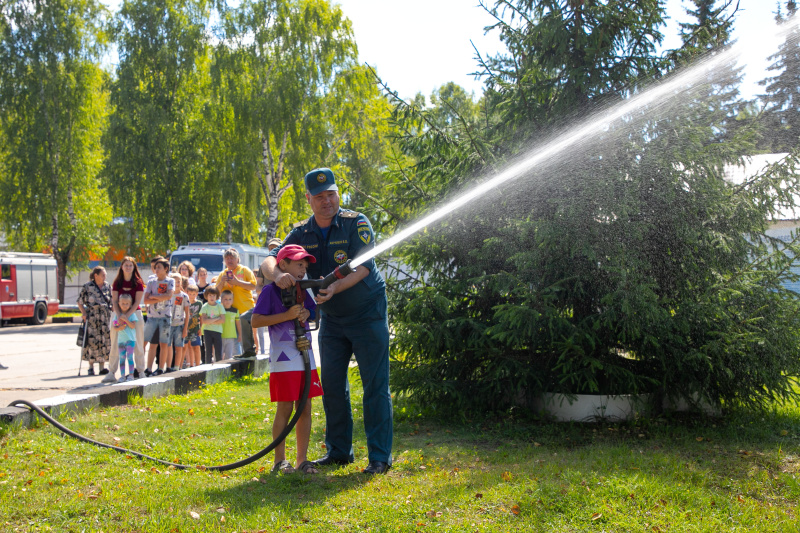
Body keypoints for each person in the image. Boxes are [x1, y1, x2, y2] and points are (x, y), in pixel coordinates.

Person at [260, 167, 392, 475]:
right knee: (332, 385)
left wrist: (332, 287)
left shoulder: (355, 223)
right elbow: (270, 259)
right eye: (319, 197)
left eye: (331, 194)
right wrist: (278, 274)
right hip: (332, 320)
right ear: (308, 199)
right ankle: (339, 451)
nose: (326, 201)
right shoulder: (302, 232)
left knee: (375, 385)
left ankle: (379, 458)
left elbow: (362, 269)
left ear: (338, 194)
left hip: (367, 314)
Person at [252, 244, 323, 475]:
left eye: (305, 265)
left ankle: (302, 459)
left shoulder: (303, 289)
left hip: (306, 359)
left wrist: (305, 313)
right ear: (282, 265)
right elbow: (256, 321)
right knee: (285, 407)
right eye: (298, 264)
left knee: (306, 406)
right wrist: (287, 315)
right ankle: (279, 460)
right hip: (283, 362)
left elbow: (311, 312)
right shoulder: (270, 291)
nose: (303, 269)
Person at [105, 257, 146, 383]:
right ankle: (111, 372)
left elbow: (137, 302)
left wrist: (127, 316)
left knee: (138, 343)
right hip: (118, 314)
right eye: (126, 265)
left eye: (130, 265)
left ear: (134, 267)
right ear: (122, 267)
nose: (128, 267)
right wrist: (119, 316)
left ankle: (140, 371)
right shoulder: (117, 282)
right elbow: (115, 301)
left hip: (135, 314)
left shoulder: (138, 282)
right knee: (115, 343)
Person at [214, 248, 257, 357]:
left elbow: (254, 286)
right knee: (233, 339)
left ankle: (249, 353)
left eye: (232, 258)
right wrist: (222, 282)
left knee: (245, 336)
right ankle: (235, 359)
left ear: (238, 259)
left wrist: (237, 282)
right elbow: (216, 293)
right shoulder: (223, 274)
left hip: (245, 309)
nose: (230, 260)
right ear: (224, 261)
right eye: (227, 258)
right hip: (230, 313)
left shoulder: (244, 270)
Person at [77, 266, 113, 377]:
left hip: (105, 317)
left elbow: (112, 301)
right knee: (92, 342)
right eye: (103, 274)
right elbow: (80, 301)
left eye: (105, 274)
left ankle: (102, 367)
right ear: (96, 275)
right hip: (92, 317)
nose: (105, 276)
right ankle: (91, 367)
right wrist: (84, 313)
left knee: (104, 341)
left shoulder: (107, 286)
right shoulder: (87, 287)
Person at [142, 258, 174, 376]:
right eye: (155, 267)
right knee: (148, 342)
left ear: (166, 269)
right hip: (152, 317)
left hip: (165, 317)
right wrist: (161, 297)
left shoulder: (170, 281)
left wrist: (154, 297)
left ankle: (161, 368)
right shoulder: (151, 282)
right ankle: (147, 368)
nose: (156, 270)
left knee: (164, 343)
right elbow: (145, 299)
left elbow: (169, 295)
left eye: (159, 267)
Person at [255, 237, 283, 355]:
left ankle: (277, 352)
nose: (272, 251)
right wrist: (268, 291)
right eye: (270, 248)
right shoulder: (264, 266)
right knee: (245, 318)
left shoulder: (284, 265)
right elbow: (258, 287)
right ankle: (250, 350)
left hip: (281, 301)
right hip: (267, 300)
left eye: (275, 248)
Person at [110, 294, 138, 382]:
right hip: (121, 340)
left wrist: (126, 320)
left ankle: (131, 374)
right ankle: (122, 375)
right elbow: (115, 326)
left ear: (130, 304)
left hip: (130, 340)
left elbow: (133, 326)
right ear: (119, 304)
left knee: (130, 357)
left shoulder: (132, 315)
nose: (124, 305)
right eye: (123, 303)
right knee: (122, 358)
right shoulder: (117, 315)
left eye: (127, 304)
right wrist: (119, 328)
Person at [166, 273, 190, 372]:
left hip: (180, 325)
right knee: (168, 346)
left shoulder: (184, 296)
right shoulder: (167, 295)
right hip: (168, 325)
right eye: (174, 282)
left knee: (179, 346)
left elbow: (187, 313)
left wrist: (185, 329)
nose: (176, 283)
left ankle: (177, 366)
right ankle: (168, 366)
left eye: (178, 281)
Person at [200, 287, 225, 363]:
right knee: (208, 350)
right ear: (206, 296)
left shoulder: (220, 306)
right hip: (207, 331)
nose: (212, 297)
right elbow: (204, 320)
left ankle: (219, 367)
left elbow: (222, 320)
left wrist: (209, 320)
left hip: (217, 331)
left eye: (214, 295)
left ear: (217, 297)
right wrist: (216, 318)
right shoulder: (205, 306)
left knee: (218, 351)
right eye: (210, 295)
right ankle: (207, 366)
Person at [220, 289, 242, 359]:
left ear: (233, 300)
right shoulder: (219, 310)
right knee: (219, 356)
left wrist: (240, 335)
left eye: (230, 299)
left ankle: (227, 370)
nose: (228, 301)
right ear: (221, 300)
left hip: (231, 336)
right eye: (225, 299)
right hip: (220, 336)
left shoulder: (235, 311)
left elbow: (238, 323)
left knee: (229, 356)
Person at [185, 285, 203, 367]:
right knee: (189, 346)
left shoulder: (199, 303)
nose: (192, 296)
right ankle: (192, 364)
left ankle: (198, 364)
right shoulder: (185, 303)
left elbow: (201, 316)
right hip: (186, 328)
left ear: (196, 294)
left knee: (196, 346)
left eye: (194, 294)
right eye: (190, 294)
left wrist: (201, 328)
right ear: (187, 293)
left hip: (195, 328)